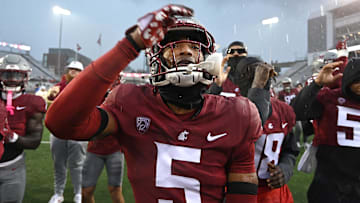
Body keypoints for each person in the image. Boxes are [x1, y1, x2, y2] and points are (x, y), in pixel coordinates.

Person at [45, 5, 275, 202]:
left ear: (207, 59)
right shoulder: (130, 102)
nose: (186, 50)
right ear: (155, 59)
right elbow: (61, 123)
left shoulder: (237, 114)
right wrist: (129, 45)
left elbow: (242, 193)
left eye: (195, 47)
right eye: (174, 45)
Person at [208, 51, 298, 202]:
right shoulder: (229, 109)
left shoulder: (283, 111)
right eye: (250, 74)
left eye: (259, 73)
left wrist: (285, 170)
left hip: (273, 194)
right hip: (236, 190)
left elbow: (290, 151)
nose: (258, 79)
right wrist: (215, 87)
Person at [292, 59, 360, 202]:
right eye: (357, 80)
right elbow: (297, 111)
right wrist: (316, 84)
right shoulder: (330, 97)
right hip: (331, 182)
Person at [0, 54, 46, 203]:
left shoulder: (33, 102)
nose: (12, 80)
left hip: (12, 167)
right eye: (7, 74)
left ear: (25, 77)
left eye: (17, 75)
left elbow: (35, 141)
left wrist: (11, 136)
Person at [48, 60, 87, 203]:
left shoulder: (86, 88)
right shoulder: (58, 87)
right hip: (58, 130)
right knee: (59, 163)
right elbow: (50, 99)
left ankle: (78, 193)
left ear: (82, 73)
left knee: (77, 164)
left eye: (76, 70)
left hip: (78, 130)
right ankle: (58, 193)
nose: (73, 72)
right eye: (71, 69)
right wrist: (52, 94)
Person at [82, 81, 125, 203]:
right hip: (95, 149)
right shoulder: (94, 92)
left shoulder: (122, 93)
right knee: (86, 191)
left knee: (115, 190)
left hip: (115, 149)